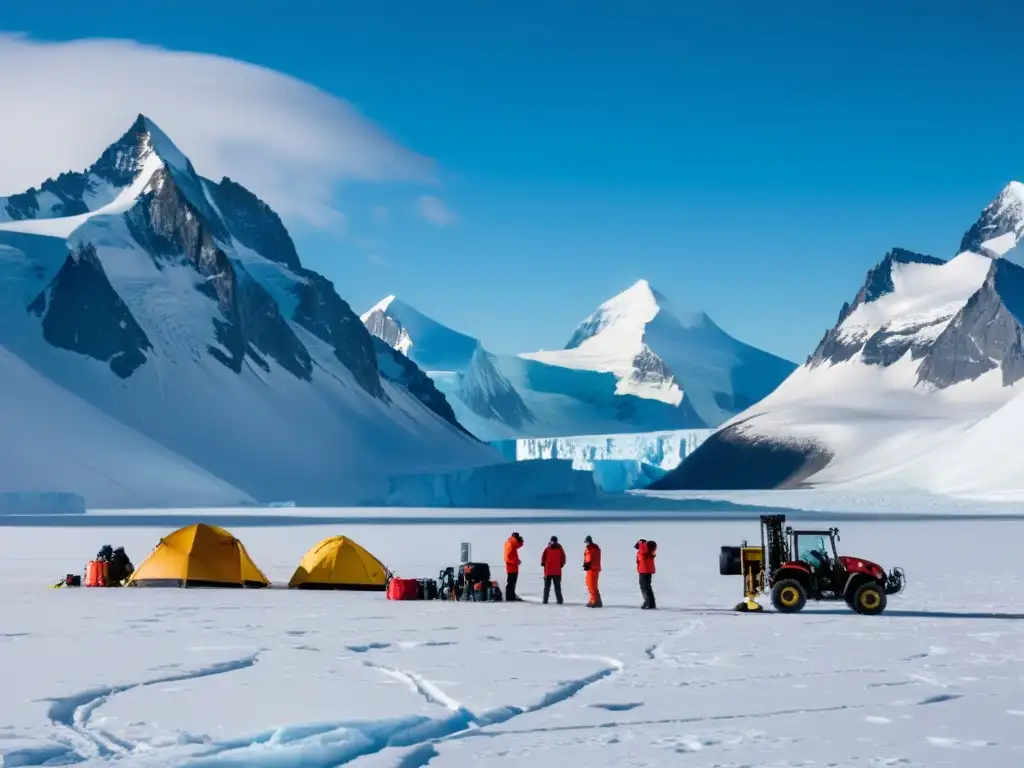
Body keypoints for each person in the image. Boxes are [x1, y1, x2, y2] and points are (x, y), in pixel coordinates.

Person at [541, 536, 566, 604]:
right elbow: (543, 556)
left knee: (556, 587)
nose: (553, 542)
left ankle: (559, 601)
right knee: (548, 588)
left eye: (554, 541)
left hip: (555, 571)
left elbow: (563, 557)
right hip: (549, 571)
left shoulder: (559, 549)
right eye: (552, 541)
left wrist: (562, 563)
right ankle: (545, 601)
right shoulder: (548, 549)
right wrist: (543, 562)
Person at [635, 538, 657, 609]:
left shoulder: (644, 550)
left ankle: (649, 603)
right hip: (646, 570)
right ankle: (649, 602)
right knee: (646, 587)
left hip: (644, 570)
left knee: (645, 587)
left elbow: (642, 550)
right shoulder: (648, 550)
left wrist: (641, 542)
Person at [583, 535, 602, 607]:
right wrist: (585, 564)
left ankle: (595, 601)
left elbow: (591, 557)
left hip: (593, 569)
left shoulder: (593, 549)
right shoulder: (590, 549)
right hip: (590, 568)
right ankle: (594, 600)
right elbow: (588, 557)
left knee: (592, 585)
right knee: (589, 584)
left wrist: (588, 564)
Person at [503, 532, 524, 601]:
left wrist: (521, 542)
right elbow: (506, 558)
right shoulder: (511, 544)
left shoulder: (511, 543)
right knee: (511, 583)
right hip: (511, 567)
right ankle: (509, 598)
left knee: (512, 583)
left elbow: (517, 546)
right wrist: (515, 562)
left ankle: (511, 596)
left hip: (513, 567)